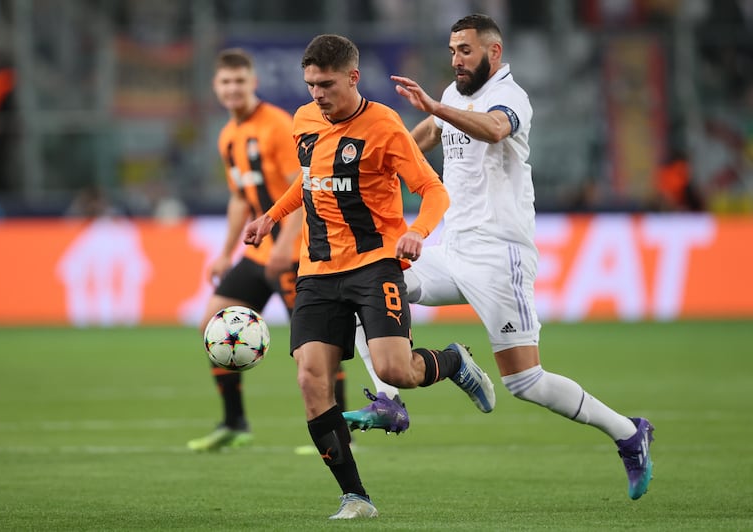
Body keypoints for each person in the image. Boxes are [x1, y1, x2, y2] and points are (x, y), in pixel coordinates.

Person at [344, 14, 656, 501]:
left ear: (493, 51)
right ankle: (393, 400)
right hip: (455, 248)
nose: (455, 60)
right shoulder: (452, 94)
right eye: (451, 50)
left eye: (464, 50)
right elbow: (424, 133)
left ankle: (628, 433)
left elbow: (492, 130)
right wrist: (378, 155)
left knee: (526, 381)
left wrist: (435, 107)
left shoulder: (510, 98)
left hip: (500, 257)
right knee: (364, 285)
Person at [242, 34, 495, 519]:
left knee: (394, 371)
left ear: (353, 78)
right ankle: (355, 496)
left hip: (375, 263)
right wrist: (271, 218)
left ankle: (452, 361)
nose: (317, 94)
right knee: (310, 379)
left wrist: (418, 231)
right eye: (311, 84)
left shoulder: (385, 126)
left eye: (327, 84)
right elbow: (308, 178)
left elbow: (433, 189)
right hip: (316, 269)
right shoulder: (303, 121)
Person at [187, 49, 352, 452]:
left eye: (239, 82)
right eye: (225, 83)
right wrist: (226, 252)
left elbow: (304, 186)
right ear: (216, 87)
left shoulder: (277, 126)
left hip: (297, 251)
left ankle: (340, 428)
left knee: (316, 346)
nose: (232, 89)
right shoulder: (228, 135)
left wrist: (284, 245)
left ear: (253, 83)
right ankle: (235, 422)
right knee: (213, 323)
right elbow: (241, 199)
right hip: (261, 252)